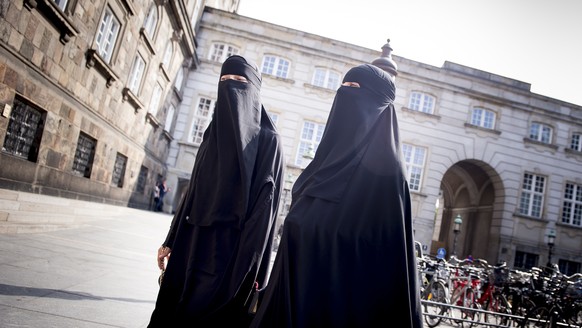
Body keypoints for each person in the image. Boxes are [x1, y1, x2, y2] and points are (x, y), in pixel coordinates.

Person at [250, 63, 424, 327]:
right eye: (343, 88)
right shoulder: (319, 168)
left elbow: (386, 268)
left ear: (379, 105)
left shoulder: (387, 177)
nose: (345, 96)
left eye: (356, 90)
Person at [147, 55, 285, 327]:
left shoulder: (269, 140)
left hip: (232, 253)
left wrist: (250, 268)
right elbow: (193, 191)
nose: (231, 86)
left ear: (254, 89)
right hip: (191, 242)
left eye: (239, 81)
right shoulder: (212, 135)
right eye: (225, 80)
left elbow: (264, 210)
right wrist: (171, 239)